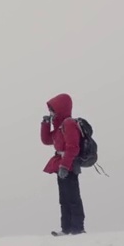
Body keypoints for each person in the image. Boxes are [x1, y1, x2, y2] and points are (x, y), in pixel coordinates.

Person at [41, 92, 85, 235]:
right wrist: (46, 124)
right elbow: (47, 140)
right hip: (61, 166)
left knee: (73, 198)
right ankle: (66, 229)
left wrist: (65, 166)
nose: (51, 113)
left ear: (61, 109)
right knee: (64, 199)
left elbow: (73, 147)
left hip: (69, 166)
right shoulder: (60, 127)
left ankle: (78, 229)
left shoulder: (69, 124)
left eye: (52, 110)